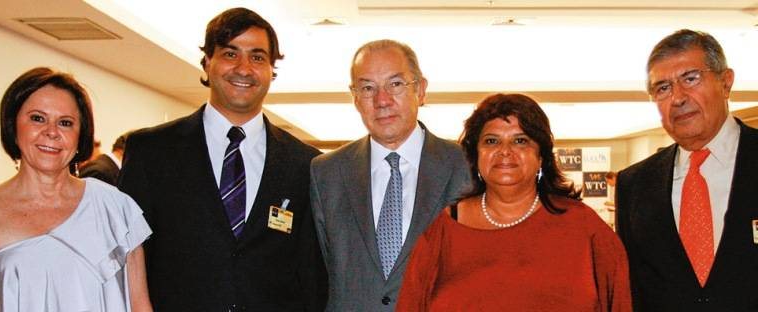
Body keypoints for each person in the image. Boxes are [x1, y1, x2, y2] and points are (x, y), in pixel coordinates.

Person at [118, 7, 327, 311]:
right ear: (207, 63)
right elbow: (127, 255)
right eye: (230, 54)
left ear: (271, 70)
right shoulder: (151, 152)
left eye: (257, 57)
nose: (244, 68)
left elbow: (311, 275)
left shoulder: (305, 164)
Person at [396, 93, 631, 311]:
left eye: (520, 141)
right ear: (476, 155)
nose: (505, 151)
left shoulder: (584, 228)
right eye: (491, 141)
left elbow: (620, 302)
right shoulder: (443, 231)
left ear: (541, 157)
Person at [309, 39, 471, 311]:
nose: (381, 100)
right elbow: (321, 270)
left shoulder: (465, 166)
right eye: (368, 88)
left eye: (395, 84)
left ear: (420, 90)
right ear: (355, 98)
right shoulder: (326, 173)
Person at [616, 29, 758, 311]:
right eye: (663, 88)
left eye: (690, 79)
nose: (677, 98)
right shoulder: (634, 184)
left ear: (726, 82)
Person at [0, 67, 152, 311]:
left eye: (65, 123)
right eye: (37, 118)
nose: (52, 132)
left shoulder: (116, 208)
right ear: (13, 126)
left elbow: (140, 305)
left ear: (80, 136)